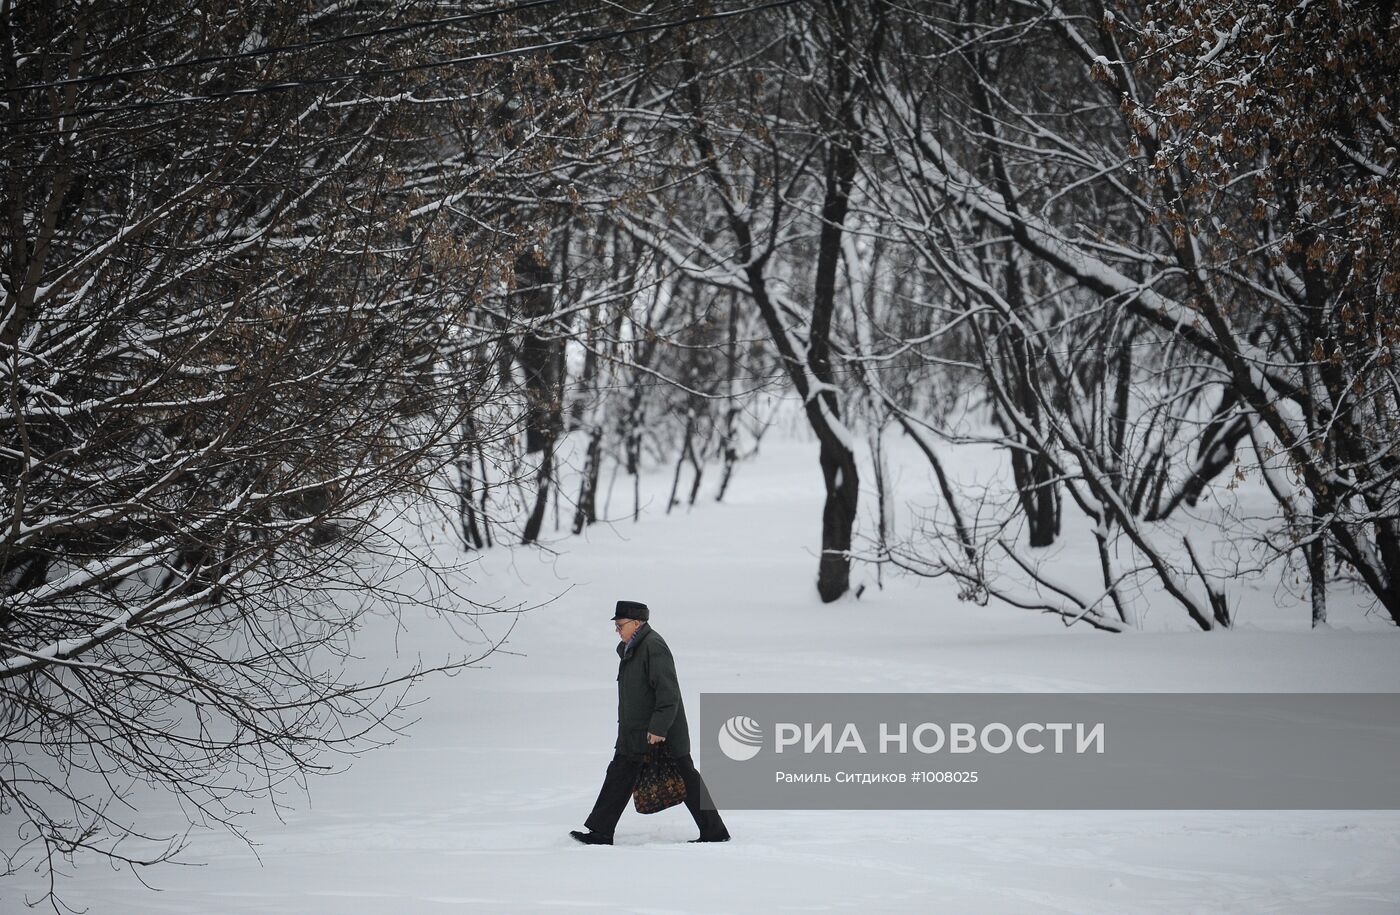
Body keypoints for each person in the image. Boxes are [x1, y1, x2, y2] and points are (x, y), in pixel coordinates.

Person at [570, 600, 730, 846]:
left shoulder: (653, 646)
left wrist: (659, 728)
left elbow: (668, 692)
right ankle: (600, 832)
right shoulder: (632, 648)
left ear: (637, 623)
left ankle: (715, 832)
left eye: (620, 625)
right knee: (619, 774)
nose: (617, 630)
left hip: (660, 735)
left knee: (686, 777)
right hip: (634, 733)